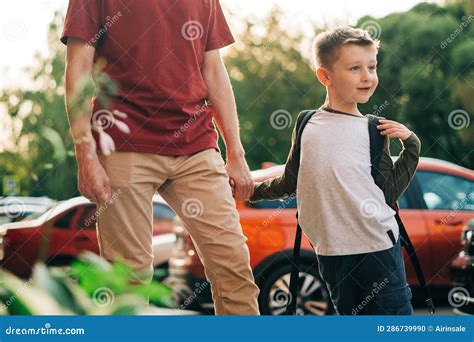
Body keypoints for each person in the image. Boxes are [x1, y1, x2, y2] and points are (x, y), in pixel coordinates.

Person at [61, 0, 260, 315]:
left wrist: (236, 152)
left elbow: (213, 69)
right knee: (128, 281)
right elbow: (78, 69)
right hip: (123, 144)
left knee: (233, 267)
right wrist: (85, 156)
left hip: (197, 144)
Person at [249, 27, 421, 315]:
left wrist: (411, 145)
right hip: (332, 253)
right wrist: (250, 191)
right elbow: (291, 181)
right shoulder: (306, 124)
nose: (367, 76)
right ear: (325, 76)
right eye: (355, 68)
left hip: (377, 249)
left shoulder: (374, 129)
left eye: (372, 67)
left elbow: (387, 192)